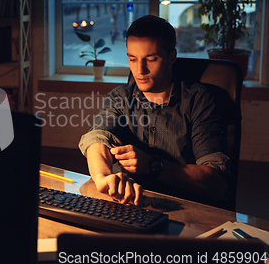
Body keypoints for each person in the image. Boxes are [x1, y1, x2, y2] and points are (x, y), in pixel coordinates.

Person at [78, 15, 230, 206]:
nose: (140, 70)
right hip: (127, 206)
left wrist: (153, 165)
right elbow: (98, 138)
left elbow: (217, 184)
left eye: (151, 59)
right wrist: (103, 177)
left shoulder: (200, 101)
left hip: (183, 211)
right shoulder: (119, 98)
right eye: (132, 59)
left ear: (171, 57)